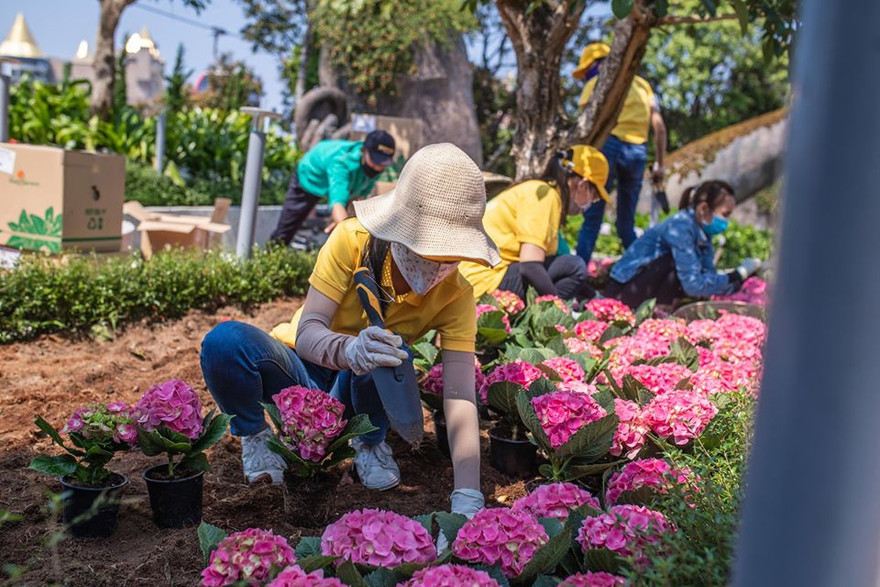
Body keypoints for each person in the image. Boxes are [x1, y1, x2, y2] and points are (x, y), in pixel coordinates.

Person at [201, 143, 499, 519]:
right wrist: (351, 350)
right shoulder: (352, 241)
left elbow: (460, 396)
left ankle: (369, 442)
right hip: (300, 372)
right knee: (224, 343)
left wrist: (468, 494)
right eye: (429, 250)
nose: (439, 265)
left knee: (392, 350)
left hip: (355, 397)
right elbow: (309, 331)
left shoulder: (457, 294)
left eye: (450, 255)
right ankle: (255, 435)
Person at [459, 145, 609, 301]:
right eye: (594, 196)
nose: (591, 202)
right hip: (484, 283)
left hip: (472, 279)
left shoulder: (538, 190)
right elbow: (530, 266)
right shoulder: (544, 197)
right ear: (582, 185)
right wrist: (558, 309)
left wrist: (594, 297)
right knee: (574, 266)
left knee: (567, 265)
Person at [572, 42, 668, 263]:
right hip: (638, 150)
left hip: (608, 146)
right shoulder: (643, 85)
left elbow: (585, 125)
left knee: (593, 216)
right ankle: (639, 273)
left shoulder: (596, 83)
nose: (587, 75)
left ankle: (578, 273)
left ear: (599, 64)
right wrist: (660, 164)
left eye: (588, 69)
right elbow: (660, 127)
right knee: (626, 223)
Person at [605, 180, 761, 308]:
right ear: (703, 208)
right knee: (675, 263)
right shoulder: (680, 227)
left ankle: (662, 310)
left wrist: (737, 283)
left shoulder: (703, 233)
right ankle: (659, 312)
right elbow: (693, 284)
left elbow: (708, 276)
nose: (726, 221)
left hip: (645, 288)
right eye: (725, 214)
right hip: (622, 293)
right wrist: (737, 275)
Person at [268, 130, 396, 245]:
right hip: (310, 177)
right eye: (375, 161)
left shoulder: (373, 165)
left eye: (382, 164)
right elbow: (337, 203)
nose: (378, 167)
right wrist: (352, 239)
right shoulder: (341, 163)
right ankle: (271, 253)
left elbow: (359, 199)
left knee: (342, 224)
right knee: (286, 230)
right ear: (363, 151)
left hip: (342, 185)